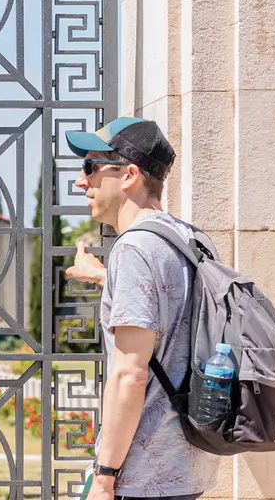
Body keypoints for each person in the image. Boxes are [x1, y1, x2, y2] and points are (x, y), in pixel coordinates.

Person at [67, 116, 217, 500]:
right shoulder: (192, 239)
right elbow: (172, 314)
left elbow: (131, 374)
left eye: (91, 166)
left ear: (129, 174)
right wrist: (105, 280)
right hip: (188, 463)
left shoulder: (134, 249)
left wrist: (104, 477)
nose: (82, 181)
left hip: (140, 475)